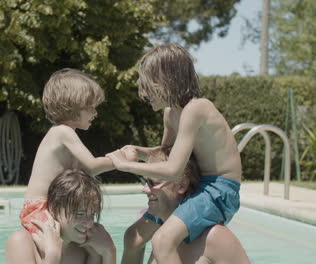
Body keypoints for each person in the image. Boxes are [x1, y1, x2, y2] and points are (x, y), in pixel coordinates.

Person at [107, 43, 242, 263]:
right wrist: (138, 151)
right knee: (133, 236)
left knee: (162, 241)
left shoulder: (196, 109)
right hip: (195, 184)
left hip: (219, 189)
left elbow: (172, 169)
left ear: (168, 81)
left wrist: (125, 166)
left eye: (147, 85)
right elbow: (167, 153)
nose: (143, 93)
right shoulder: (171, 113)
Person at [21, 68, 115, 234]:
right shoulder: (63, 132)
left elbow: (85, 171)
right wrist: (122, 161)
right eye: (91, 107)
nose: (95, 112)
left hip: (54, 206)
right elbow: (92, 167)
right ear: (74, 107)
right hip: (39, 208)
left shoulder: (63, 133)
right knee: (55, 245)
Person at [122, 149, 250, 264]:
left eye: (154, 182)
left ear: (182, 185)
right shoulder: (160, 233)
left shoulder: (215, 237)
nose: (145, 189)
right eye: (145, 181)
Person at [6, 169, 116, 264]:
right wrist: (52, 257)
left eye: (92, 214)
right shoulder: (22, 242)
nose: (89, 223)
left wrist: (110, 252)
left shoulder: (88, 247)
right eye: (79, 214)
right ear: (53, 208)